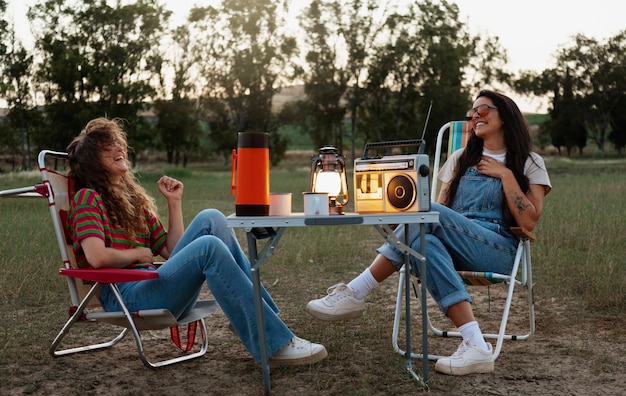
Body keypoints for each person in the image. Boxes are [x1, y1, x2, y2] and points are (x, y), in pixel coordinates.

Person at [307, 90, 551, 375]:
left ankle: (356, 291)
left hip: (496, 249)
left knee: (423, 212)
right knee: (426, 240)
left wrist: (506, 174)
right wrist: (406, 229)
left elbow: (529, 220)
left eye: (483, 110)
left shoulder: (528, 162)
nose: (475, 116)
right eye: (472, 112)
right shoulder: (461, 157)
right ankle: (476, 346)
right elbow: (439, 211)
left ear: (505, 115)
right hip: (454, 245)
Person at [66, 117, 327, 367]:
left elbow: (173, 252)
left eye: (118, 142)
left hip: (152, 287)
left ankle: (256, 318)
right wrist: (136, 254)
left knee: (212, 218)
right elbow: (96, 256)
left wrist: (174, 203)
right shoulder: (88, 198)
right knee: (208, 248)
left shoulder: (132, 202)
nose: (119, 147)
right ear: (92, 161)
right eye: (107, 146)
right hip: (126, 297)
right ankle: (272, 342)